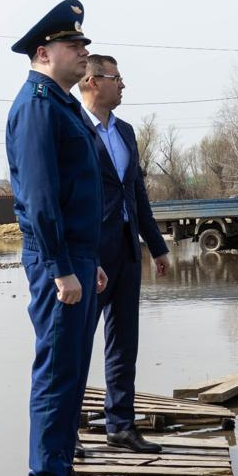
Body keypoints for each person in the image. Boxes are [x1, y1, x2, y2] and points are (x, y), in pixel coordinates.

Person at [6, 0, 110, 476]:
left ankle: (61, 468)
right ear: (44, 52)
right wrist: (62, 268)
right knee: (55, 369)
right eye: (74, 46)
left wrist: (85, 260)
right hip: (55, 261)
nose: (83, 54)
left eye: (84, 45)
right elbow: (43, 198)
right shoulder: (36, 106)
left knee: (72, 369)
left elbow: (75, 192)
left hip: (74, 256)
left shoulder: (63, 104)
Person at [76, 54, 171, 454]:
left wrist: (157, 245)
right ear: (93, 81)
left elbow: (137, 192)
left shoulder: (127, 132)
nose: (123, 84)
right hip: (89, 254)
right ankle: (66, 433)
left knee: (123, 342)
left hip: (127, 249)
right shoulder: (74, 128)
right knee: (77, 345)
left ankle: (121, 425)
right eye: (117, 78)